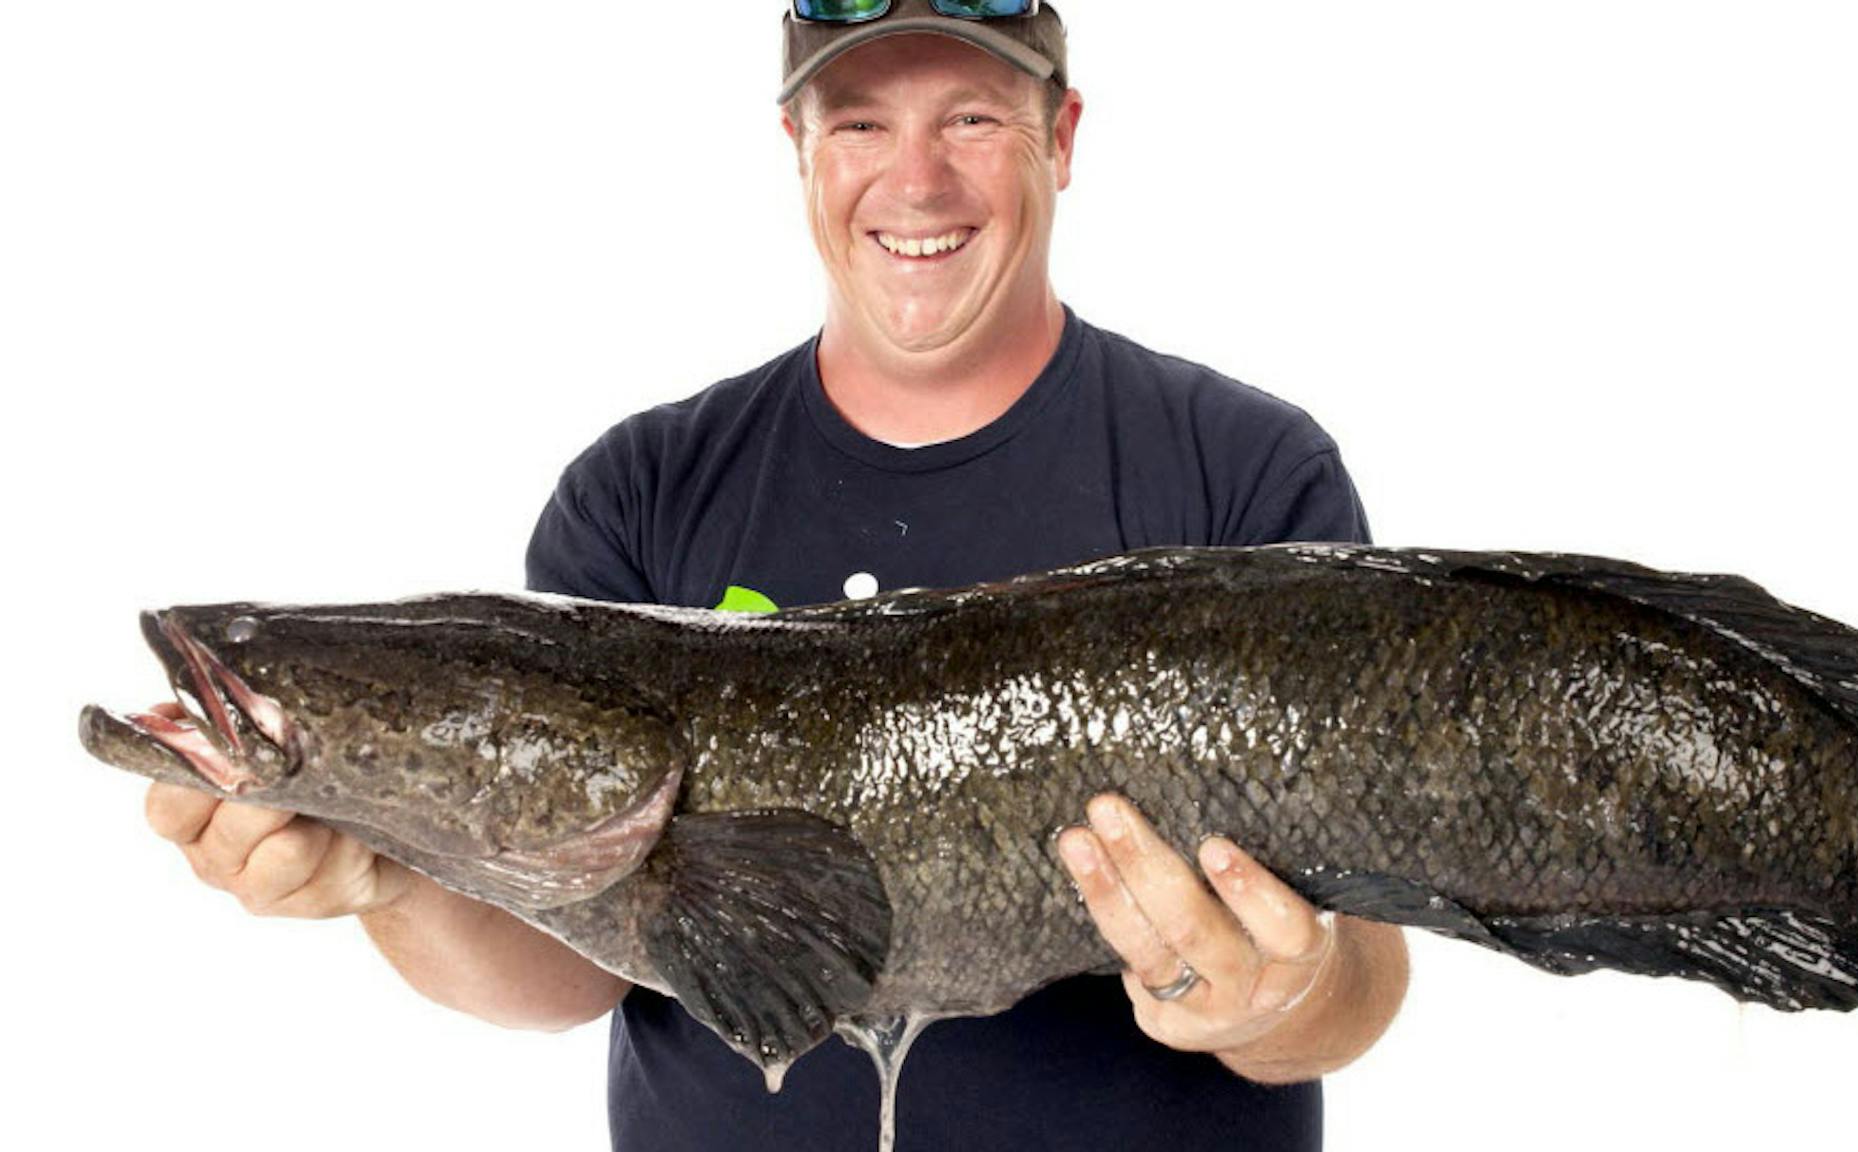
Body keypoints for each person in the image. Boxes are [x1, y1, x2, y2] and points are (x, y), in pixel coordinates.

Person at [140, 3, 1411, 1148]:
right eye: (860, 123)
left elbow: (1365, 981)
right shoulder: (639, 490)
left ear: (1061, 137)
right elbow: (567, 975)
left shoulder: (1247, 472)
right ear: (800, 146)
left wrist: (1283, 997)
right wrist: (389, 879)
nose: (916, 180)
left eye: (971, 119)